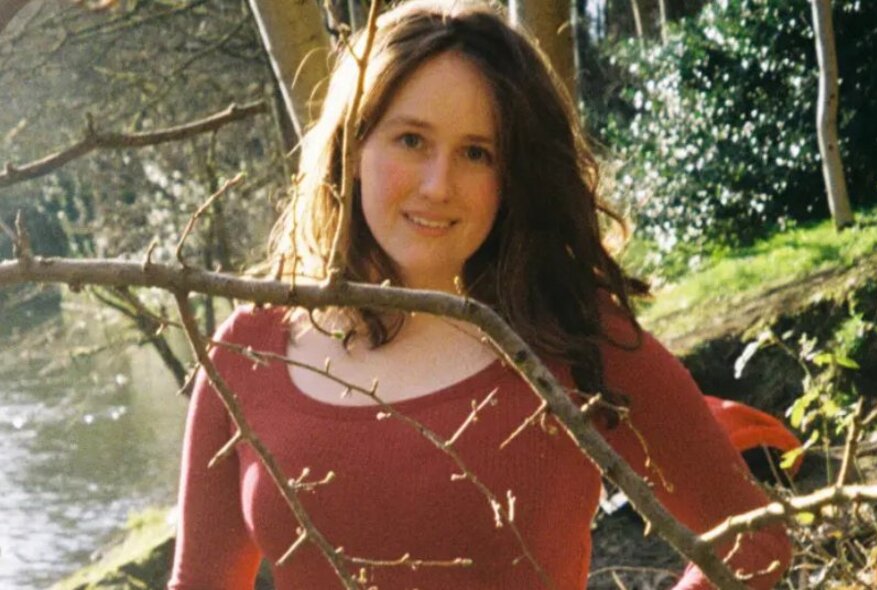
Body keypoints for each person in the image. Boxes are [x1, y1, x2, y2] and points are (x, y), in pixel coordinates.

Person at [168, 1, 792, 588]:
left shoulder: (573, 338)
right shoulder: (248, 354)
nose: (439, 185)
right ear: (354, 147)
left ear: (513, 174)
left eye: (476, 152)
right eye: (411, 140)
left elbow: (754, 544)